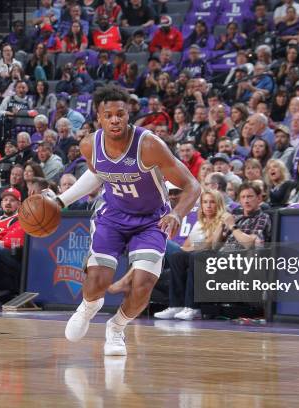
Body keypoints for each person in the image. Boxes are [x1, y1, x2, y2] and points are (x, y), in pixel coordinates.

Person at [54, 85, 201, 356]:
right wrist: (62, 200)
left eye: (120, 114)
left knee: (143, 284)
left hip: (151, 219)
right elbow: (98, 174)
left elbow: (192, 184)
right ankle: (88, 307)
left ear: (128, 114)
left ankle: (117, 328)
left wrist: (177, 213)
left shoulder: (149, 145)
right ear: (98, 118)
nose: (114, 120)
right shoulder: (89, 145)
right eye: (107, 115)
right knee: (97, 280)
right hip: (112, 216)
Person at [155, 190, 228, 320]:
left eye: (212, 202)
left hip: (212, 258)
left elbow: (212, 245)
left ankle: (193, 308)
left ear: (219, 204)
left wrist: (193, 248)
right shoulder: (200, 222)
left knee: (194, 256)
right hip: (195, 254)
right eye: (205, 202)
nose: (208, 205)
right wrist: (192, 248)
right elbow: (186, 245)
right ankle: (176, 306)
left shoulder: (222, 221)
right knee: (177, 256)